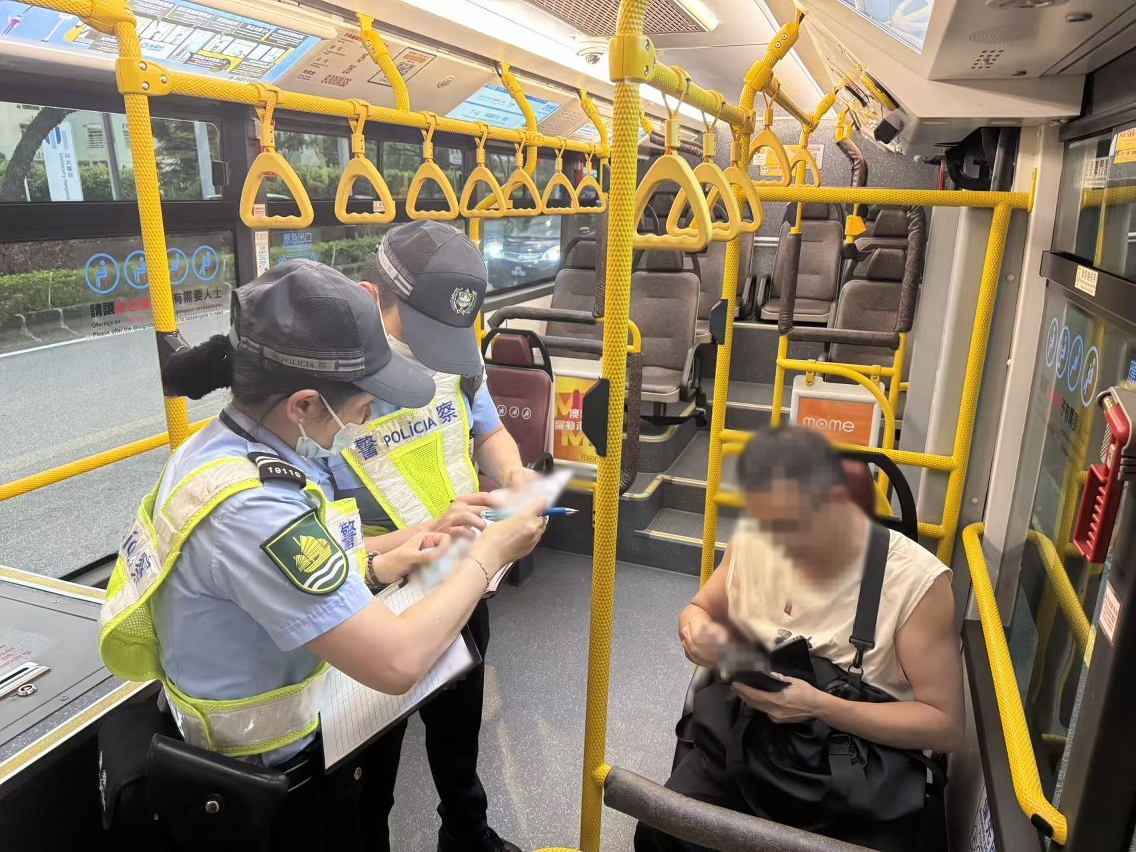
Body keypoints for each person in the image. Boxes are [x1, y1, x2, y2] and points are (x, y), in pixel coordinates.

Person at [96, 259, 547, 852]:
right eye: (365, 401)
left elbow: (287, 570)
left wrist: (389, 553)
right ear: (304, 404)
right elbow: (396, 662)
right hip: (266, 777)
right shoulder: (252, 510)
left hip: (256, 740)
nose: (370, 414)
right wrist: (489, 554)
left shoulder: (225, 449)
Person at [635, 427, 964, 852]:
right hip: (746, 742)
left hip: (856, 776)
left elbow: (946, 727)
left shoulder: (915, 584)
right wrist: (696, 633)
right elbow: (701, 608)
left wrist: (822, 706)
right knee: (661, 832)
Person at [328, 221, 536, 852]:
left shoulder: (456, 356)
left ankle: (467, 837)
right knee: (370, 770)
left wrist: (516, 475)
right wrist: (394, 552)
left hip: (460, 570)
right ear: (371, 298)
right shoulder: (327, 387)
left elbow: (486, 430)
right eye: (418, 332)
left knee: (458, 738)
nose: (433, 351)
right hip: (373, 588)